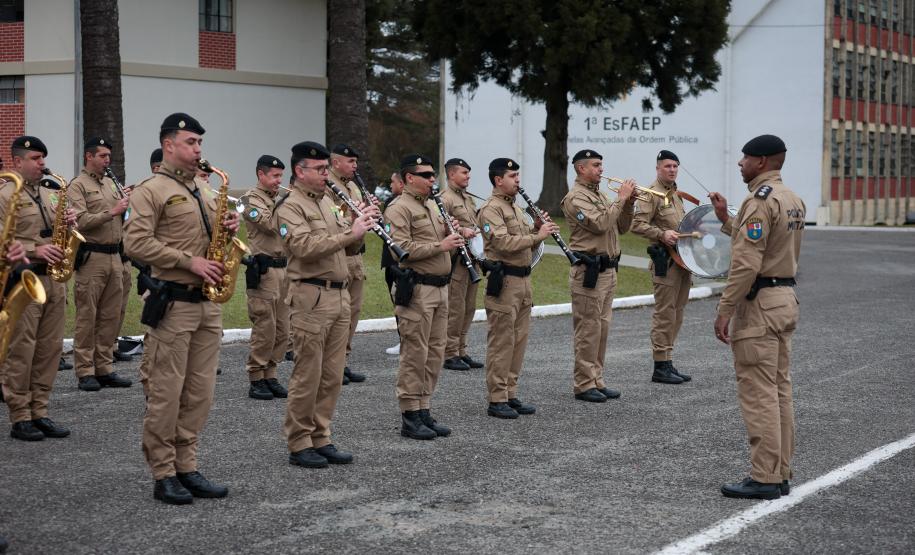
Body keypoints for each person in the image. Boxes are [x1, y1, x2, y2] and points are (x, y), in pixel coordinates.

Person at [124, 112, 239, 505]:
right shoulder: (150, 189)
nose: (198, 150)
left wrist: (228, 229)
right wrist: (188, 261)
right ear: (169, 145)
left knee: (200, 392)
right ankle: (163, 472)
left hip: (207, 304)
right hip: (173, 302)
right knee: (166, 393)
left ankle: (187, 466)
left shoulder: (206, 190)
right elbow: (135, 243)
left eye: (200, 144)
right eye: (191, 142)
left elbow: (209, 238)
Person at [710, 134, 805, 500]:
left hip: (760, 305)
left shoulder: (759, 200)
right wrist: (725, 219)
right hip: (784, 299)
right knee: (780, 389)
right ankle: (779, 472)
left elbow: (748, 261)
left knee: (759, 392)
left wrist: (725, 309)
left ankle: (764, 476)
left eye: (745, 158)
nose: (740, 163)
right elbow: (766, 242)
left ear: (761, 162)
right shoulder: (791, 198)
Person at [274, 141, 378, 468]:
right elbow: (304, 247)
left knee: (332, 375)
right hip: (311, 296)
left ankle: (321, 435)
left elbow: (346, 248)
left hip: (339, 294)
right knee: (309, 374)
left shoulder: (326, 203)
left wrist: (358, 226)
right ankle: (299, 441)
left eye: (324, 169)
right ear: (299, 171)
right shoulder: (289, 206)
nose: (325, 175)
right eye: (319, 170)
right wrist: (351, 232)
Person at [0, 136, 77, 441]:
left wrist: (70, 222)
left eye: (43, 158)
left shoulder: (49, 193)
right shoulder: (6, 195)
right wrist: (34, 249)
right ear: (17, 162)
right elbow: (3, 241)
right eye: (35, 158)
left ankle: (40, 411)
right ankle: (20, 416)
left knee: (49, 349)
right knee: (23, 349)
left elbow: (58, 228)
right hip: (24, 280)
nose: (41, 164)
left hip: (53, 280)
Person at [386, 154, 464, 440]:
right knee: (415, 354)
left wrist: (452, 236)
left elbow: (442, 246)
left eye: (433, 175)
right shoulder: (399, 208)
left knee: (434, 353)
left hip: (440, 288)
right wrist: (440, 244)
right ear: (409, 178)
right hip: (417, 289)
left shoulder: (431, 205)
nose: (433, 179)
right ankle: (409, 414)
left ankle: (424, 408)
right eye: (427, 175)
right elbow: (400, 247)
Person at [477, 158, 556, 418]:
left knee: (519, 341)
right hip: (505, 282)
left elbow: (527, 246)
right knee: (502, 341)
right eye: (512, 176)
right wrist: (537, 235)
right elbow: (502, 243)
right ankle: (496, 398)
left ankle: (510, 392)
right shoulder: (491, 209)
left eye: (518, 176)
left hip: (524, 281)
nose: (517, 180)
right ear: (498, 180)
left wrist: (534, 230)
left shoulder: (517, 209)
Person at [560, 150, 635, 403]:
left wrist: (629, 203)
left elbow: (622, 227)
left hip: (609, 270)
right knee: (588, 330)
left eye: (601, 164)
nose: (601, 169)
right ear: (581, 169)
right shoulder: (575, 198)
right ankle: (583, 384)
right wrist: (620, 199)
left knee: (601, 329)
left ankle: (596, 379)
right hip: (589, 272)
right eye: (596, 165)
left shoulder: (599, 194)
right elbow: (601, 224)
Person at [67, 137, 133, 392]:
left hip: (115, 255)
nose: (107, 161)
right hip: (92, 256)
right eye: (103, 156)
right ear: (89, 157)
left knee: (110, 315)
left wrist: (126, 206)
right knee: (88, 315)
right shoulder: (78, 186)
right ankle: (85, 370)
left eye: (108, 156)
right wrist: (113, 211)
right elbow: (79, 221)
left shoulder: (110, 182)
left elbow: (123, 217)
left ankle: (104, 367)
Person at [630, 150, 693, 385]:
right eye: (667, 166)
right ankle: (660, 366)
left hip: (682, 262)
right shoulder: (650, 194)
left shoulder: (675, 195)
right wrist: (661, 233)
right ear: (658, 168)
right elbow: (637, 225)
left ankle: (668, 360)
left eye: (675, 166)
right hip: (664, 262)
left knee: (677, 313)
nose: (672, 169)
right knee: (665, 313)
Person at [240, 155, 290, 401]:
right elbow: (270, 224)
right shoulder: (248, 200)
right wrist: (291, 203)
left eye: (281, 176)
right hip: (265, 270)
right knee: (265, 326)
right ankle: (256, 376)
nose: (279, 182)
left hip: (285, 268)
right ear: (261, 175)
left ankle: (271, 373)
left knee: (283, 328)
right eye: (274, 176)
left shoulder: (277, 199)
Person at [327, 144, 368, 385]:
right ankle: (333, 365)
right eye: (350, 161)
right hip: (340, 253)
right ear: (336, 163)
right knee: (338, 315)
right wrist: (354, 220)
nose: (355, 166)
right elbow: (335, 220)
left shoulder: (353, 185)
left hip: (356, 256)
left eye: (355, 162)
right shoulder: (328, 186)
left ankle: (343, 361)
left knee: (352, 312)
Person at [440, 158, 483, 371]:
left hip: (472, 259)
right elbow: (442, 228)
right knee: (455, 308)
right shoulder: (445, 199)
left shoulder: (467, 198)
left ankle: (461, 350)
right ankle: (449, 352)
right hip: (457, 261)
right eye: (464, 172)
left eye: (468, 173)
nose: (468, 176)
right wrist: (460, 232)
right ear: (451, 175)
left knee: (469, 307)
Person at [381, 171, 404, 356]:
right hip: (392, 260)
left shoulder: (394, 204)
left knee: (401, 302)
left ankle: (404, 338)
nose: (390, 186)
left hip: (395, 261)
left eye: (393, 182)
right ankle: (403, 338)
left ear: (402, 184)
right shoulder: (392, 202)